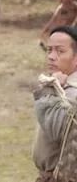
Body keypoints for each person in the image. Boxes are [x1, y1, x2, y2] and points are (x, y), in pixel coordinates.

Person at [32, 25, 77, 182]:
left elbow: (54, 127)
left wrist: (48, 91)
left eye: (60, 51)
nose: (51, 56)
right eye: (49, 50)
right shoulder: (63, 87)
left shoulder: (73, 93)